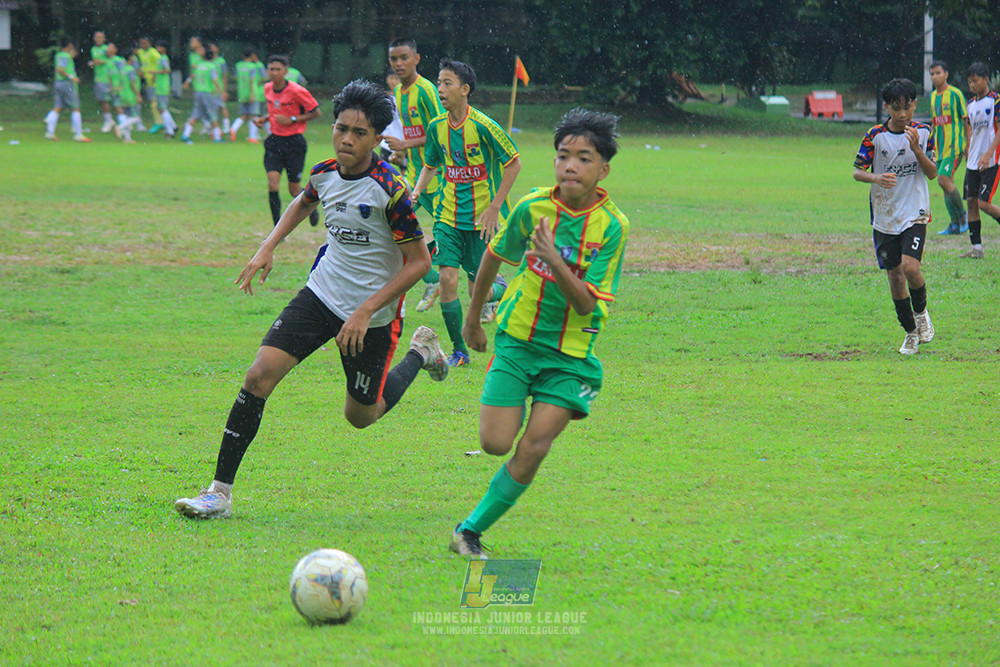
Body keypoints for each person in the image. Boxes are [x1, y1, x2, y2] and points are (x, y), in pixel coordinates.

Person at [174, 80, 449, 519]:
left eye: (359, 133)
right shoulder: (324, 172)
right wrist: (269, 245)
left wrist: (364, 311)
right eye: (341, 128)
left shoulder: (391, 189)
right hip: (321, 294)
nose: (346, 138)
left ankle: (421, 351)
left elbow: (417, 263)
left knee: (362, 416)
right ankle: (219, 493)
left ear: (378, 138)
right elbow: (304, 202)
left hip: (372, 316)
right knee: (258, 376)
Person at [448, 108, 629, 558]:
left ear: (603, 169)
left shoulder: (613, 227)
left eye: (584, 158)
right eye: (563, 155)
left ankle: (468, 531)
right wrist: (473, 319)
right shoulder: (532, 207)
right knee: (494, 443)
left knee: (534, 446)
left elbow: (587, 303)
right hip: (517, 342)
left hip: (570, 356)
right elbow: (494, 255)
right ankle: (508, 385)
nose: (571, 166)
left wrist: (554, 260)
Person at [411, 59, 521, 367]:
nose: (440, 89)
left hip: (480, 221)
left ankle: (504, 289)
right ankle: (459, 350)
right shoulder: (436, 128)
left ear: (465, 89)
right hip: (447, 217)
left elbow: (514, 162)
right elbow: (430, 165)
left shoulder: (484, 126)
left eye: (447, 83)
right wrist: (418, 190)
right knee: (447, 279)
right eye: (439, 83)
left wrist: (495, 207)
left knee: (479, 293)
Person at [852, 78, 937, 355]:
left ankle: (922, 314)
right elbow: (857, 171)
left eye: (907, 107)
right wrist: (877, 177)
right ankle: (910, 332)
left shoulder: (923, 133)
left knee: (911, 268)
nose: (902, 115)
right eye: (896, 108)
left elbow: (933, 172)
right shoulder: (874, 135)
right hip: (885, 214)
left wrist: (916, 151)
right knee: (895, 277)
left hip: (915, 212)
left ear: (914, 105)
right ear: (886, 106)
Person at [387, 38, 443, 313]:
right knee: (394, 231)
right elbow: (412, 133)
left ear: (416, 59)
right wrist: (401, 155)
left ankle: (493, 286)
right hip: (413, 175)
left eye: (404, 58)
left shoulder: (427, 90)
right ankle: (431, 278)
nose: (398, 64)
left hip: (439, 178)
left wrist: (405, 145)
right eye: (394, 59)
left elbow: (441, 132)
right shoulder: (398, 92)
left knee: (449, 237)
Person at [253, 55, 321, 226]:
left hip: (294, 143)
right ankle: (277, 226)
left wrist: (292, 119)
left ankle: (311, 205)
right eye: (271, 69)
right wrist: (264, 119)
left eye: (278, 69)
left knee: (293, 190)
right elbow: (275, 111)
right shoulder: (268, 88)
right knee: (272, 183)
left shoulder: (297, 90)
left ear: (286, 71)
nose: (274, 73)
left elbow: (316, 112)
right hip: (274, 142)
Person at [960, 62, 1000, 259]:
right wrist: (968, 151)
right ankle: (977, 249)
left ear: (985, 79)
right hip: (973, 163)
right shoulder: (970, 105)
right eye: (969, 82)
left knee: (984, 203)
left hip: (991, 161)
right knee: (971, 203)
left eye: (975, 81)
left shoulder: (996, 101)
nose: (972, 85)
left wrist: (987, 153)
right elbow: (970, 131)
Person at [928, 60, 969, 236]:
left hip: (954, 147)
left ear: (946, 74)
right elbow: (934, 123)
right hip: (939, 148)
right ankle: (954, 225)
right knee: (946, 184)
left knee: (943, 180)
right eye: (932, 74)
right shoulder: (932, 96)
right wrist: (929, 145)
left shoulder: (955, 94)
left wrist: (969, 146)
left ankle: (963, 216)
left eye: (938, 73)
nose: (934, 77)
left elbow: (966, 121)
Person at [44, 36, 90, 142]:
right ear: (70, 45)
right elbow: (60, 69)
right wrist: (72, 77)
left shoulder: (58, 55)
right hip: (66, 83)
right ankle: (78, 134)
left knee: (58, 106)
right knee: (75, 107)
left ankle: (50, 132)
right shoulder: (65, 56)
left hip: (58, 83)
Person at [180, 45, 223, 143]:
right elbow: (214, 79)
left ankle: (186, 134)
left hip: (198, 92)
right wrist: (220, 90)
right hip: (207, 92)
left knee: (195, 113)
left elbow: (193, 75)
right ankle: (217, 137)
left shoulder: (199, 65)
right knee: (212, 114)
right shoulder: (212, 66)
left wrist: (186, 83)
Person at [231, 47, 263, 143]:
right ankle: (252, 137)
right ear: (252, 56)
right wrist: (253, 94)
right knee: (254, 115)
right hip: (251, 92)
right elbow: (251, 80)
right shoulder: (253, 67)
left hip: (241, 92)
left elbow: (237, 77)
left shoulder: (238, 65)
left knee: (243, 114)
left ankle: (233, 129)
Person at [148, 40, 177, 138]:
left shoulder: (163, 58)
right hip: (161, 87)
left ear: (163, 48)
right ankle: (173, 126)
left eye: (158, 47)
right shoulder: (161, 58)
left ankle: (170, 131)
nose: (157, 49)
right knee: (161, 108)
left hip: (163, 87)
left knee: (162, 109)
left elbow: (167, 70)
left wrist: (155, 72)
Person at [88, 31, 115, 133]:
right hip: (98, 78)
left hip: (106, 78)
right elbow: (95, 61)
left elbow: (109, 61)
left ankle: (109, 121)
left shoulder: (106, 49)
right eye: (96, 37)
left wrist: (98, 62)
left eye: (100, 37)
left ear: (104, 39)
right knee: (101, 100)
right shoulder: (93, 49)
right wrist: (92, 63)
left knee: (106, 100)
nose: (98, 39)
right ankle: (108, 119)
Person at [115, 47, 143, 143]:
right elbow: (132, 84)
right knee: (136, 117)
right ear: (130, 58)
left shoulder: (122, 69)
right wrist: (138, 95)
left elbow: (120, 83)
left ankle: (128, 138)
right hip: (130, 95)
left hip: (123, 94)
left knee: (127, 116)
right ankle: (120, 127)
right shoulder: (131, 70)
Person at [136, 36, 160, 131]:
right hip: (145, 81)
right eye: (141, 43)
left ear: (149, 43)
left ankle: (159, 122)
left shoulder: (153, 53)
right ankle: (158, 122)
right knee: (151, 102)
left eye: (145, 43)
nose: (143, 45)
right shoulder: (140, 52)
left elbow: (159, 64)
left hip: (154, 82)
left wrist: (155, 75)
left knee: (155, 103)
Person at [208, 42, 232, 136]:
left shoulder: (221, 61)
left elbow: (224, 75)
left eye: (213, 46)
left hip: (219, 88)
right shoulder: (208, 61)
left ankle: (226, 126)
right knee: (211, 109)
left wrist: (224, 90)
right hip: (210, 89)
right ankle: (213, 129)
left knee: (222, 106)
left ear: (217, 48)